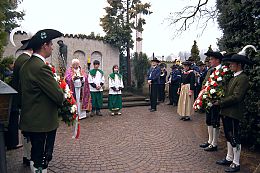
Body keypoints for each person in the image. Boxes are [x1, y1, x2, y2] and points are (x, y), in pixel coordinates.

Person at [19, 29, 65, 173]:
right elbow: (58, 96)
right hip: (42, 123)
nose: (52, 47)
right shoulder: (41, 68)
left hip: (32, 119)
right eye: (51, 44)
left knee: (35, 155)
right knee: (42, 159)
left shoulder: (27, 65)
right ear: (44, 45)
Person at [214, 54, 252, 172]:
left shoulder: (243, 78)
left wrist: (220, 102)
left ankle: (236, 162)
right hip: (227, 111)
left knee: (235, 137)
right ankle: (229, 158)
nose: (230, 65)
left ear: (239, 65)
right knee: (229, 136)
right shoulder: (233, 77)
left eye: (232, 64)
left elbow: (237, 97)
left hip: (234, 112)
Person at [11, 39, 33, 166]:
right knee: (28, 128)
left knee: (25, 128)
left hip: (21, 99)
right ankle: (28, 156)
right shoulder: (26, 60)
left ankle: (26, 155)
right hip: (25, 100)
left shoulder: (20, 59)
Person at [199, 51, 224, 152]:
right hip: (208, 99)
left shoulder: (223, 71)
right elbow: (205, 82)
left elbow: (222, 86)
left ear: (217, 60)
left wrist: (216, 96)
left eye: (212, 59)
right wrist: (204, 92)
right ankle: (209, 141)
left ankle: (214, 143)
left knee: (215, 122)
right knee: (208, 120)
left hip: (216, 101)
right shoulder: (210, 70)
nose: (210, 61)